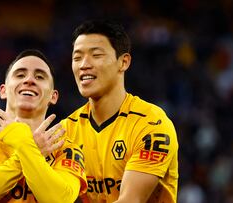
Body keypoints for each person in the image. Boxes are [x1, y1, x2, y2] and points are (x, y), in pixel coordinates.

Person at [0, 49, 87, 202]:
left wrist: (23, 144)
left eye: (40, 77)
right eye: (20, 75)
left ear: (53, 96)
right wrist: (29, 150)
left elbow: (60, 200)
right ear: (3, 91)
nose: (29, 80)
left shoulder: (66, 149)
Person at [60, 20, 179, 202]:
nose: (84, 64)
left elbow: (130, 200)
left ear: (123, 62)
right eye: (77, 58)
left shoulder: (151, 125)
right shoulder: (66, 131)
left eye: (96, 55)